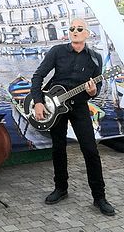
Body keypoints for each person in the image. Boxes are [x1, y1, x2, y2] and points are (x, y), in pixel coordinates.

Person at [30, 18, 115, 216]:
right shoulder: (57, 52)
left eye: (79, 29)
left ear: (87, 33)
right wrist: (39, 102)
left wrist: (93, 90)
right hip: (54, 106)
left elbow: (97, 88)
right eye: (71, 29)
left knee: (90, 150)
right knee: (58, 149)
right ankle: (61, 188)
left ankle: (99, 197)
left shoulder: (95, 58)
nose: (74, 31)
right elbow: (38, 76)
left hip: (79, 107)